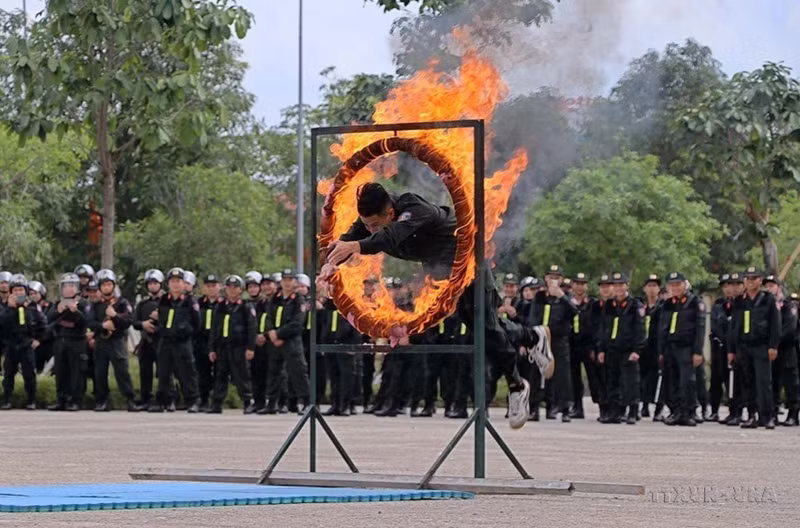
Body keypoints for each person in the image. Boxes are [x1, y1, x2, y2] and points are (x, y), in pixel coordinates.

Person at [323, 182, 545, 429]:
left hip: (467, 262)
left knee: (486, 326)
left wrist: (357, 246)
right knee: (479, 326)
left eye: (375, 225)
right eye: (366, 225)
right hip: (440, 273)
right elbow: (348, 240)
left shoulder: (414, 209)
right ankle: (532, 336)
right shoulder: (369, 221)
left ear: (390, 213)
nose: (370, 230)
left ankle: (517, 385)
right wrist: (329, 264)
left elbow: (388, 237)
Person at [730, 267, 781, 429]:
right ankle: (751, 415)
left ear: (760, 281)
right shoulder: (739, 301)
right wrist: (731, 350)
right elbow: (734, 326)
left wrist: (773, 346)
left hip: (761, 346)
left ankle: (767, 416)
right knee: (747, 381)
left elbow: (775, 324)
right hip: (744, 346)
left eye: (754, 278)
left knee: (763, 382)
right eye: (747, 278)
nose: (750, 282)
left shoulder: (768, 299)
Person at [86, 269, 141, 412]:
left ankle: (130, 400)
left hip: (117, 341)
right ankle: (102, 401)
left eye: (109, 285)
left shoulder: (122, 302)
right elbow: (90, 322)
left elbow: (129, 320)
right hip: (101, 342)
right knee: (100, 372)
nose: (106, 288)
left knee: (122, 372)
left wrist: (115, 316)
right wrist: (102, 326)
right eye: (103, 285)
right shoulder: (96, 305)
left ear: (114, 286)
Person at [150, 267, 201, 413]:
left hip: (182, 342)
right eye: (172, 281)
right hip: (166, 341)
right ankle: (163, 401)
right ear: (168, 284)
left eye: (178, 281)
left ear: (184, 283)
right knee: (163, 372)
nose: (175, 284)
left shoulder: (189, 301)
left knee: (187, 372)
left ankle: (193, 400)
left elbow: (197, 323)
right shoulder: (164, 300)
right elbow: (160, 318)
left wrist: (186, 332)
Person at [658, 273, 705, 427]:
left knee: (687, 381)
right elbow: (662, 328)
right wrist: (661, 350)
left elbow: (700, 328)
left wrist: (698, 351)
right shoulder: (668, 304)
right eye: (672, 285)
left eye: (678, 284)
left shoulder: (694, 302)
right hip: (670, 347)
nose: (675, 288)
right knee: (671, 380)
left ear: (685, 285)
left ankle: (688, 412)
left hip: (686, 347)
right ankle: (675, 411)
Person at [597, 272, 644, 425]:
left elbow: (640, 329)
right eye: (615, 285)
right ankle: (615, 412)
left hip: (628, 349)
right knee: (613, 381)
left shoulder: (634, 305)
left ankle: (633, 412)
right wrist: (601, 349)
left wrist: (637, 350)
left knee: (630, 382)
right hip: (611, 349)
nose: (618, 288)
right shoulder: (609, 305)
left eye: (621, 285)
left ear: (626, 286)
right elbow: (603, 328)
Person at [207, 275, 257, 414]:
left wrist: (250, 348)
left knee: (242, 376)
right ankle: (217, 403)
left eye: (235, 287)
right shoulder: (220, 306)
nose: (232, 290)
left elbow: (252, 328)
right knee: (220, 375)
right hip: (222, 347)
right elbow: (214, 328)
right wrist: (211, 348)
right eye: (229, 287)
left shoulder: (246, 306)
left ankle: (248, 402)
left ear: (240, 289)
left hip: (239, 347)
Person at [263, 270, 310, 414]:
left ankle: (306, 402)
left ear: (295, 282)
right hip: (274, 341)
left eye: (290, 280)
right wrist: (271, 332)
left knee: (298, 372)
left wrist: (279, 334)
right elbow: (268, 317)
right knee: (274, 372)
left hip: (291, 341)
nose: (287, 283)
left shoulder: (298, 300)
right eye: (285, 280)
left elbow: (297, 323)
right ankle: (272, 403)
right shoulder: (275, 298)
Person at [0, 274, 45, 409]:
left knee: (29, 374)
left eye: (21, 290)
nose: (18, 293)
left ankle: (31, 400)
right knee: (8, 375)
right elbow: (2, 324)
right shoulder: (5, 307)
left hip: (26, 344)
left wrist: (38, 340)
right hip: (11, 345)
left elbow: (43, 325)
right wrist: (10, 308)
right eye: (15, 290)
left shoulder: (32, 307)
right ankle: (7, 400)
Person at [47, 273, 90, 411]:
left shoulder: (83, 303)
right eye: (65, 286)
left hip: (77, 341)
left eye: (71, 286)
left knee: (77, 372)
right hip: (60, 340)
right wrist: (58, 311)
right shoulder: (57, 303)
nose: (68, 289)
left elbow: (87, 321)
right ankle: (61, 399)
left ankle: (76, 400)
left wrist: (76, 312)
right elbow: (48, 319)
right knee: (60, 371)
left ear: (77, 288)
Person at [764, 275, 799, 426]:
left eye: (772, 286)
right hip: (770, 350)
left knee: (790, 383)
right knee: (772, 382)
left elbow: (790, 328)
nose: (769, 289)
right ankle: (773, 412)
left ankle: (793, 413)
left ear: (779, 287)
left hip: (786, 349)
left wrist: (775, 341)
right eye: (767, 286)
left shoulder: (788, 305)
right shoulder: (765, 306)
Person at [568, 273, 601, 419]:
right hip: (572, 344)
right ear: (572, 286)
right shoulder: (568, 303)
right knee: (574, 378)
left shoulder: (592, 304)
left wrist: (595, 347)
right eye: (577, 284)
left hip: (588, 345)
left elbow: (597, 325)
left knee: (594, 377)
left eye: (582, 284)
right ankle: (577, 407)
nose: (580, 287)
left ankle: (602, 405)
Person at [133, 269, 164, 407]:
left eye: (155, 283)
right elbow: (134, 322)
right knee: (145, 371)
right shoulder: (142, 304)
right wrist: (143, 324)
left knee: (164, 371)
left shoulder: (166, 302)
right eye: (150, 284)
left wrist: (158, 324)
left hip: (162, 341)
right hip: (146, 341)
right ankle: (146, 398)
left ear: (161, 284)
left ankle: (167, 398)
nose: (152, 286)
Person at [639, 274, 662, 419]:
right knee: (643, 377)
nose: (652, 289)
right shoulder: (641, 307)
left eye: (654, 286)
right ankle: (644, 405)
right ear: (644, 289)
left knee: (658, 377)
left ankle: (658, 409)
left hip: (657, 347)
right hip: (643, 347)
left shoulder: (663, 306)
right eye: (649, 286)